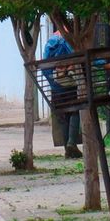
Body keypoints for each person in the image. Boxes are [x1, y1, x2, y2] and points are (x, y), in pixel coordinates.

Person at [42, 27, 81, 158]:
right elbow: (79, 57)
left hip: (57, 89)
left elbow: (45, 68)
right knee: (75, 111)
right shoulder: (70, 41)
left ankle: (67, 149)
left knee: (63, 117)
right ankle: (71, 143)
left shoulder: (50, 44)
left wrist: (54, 83)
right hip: (71, 85)